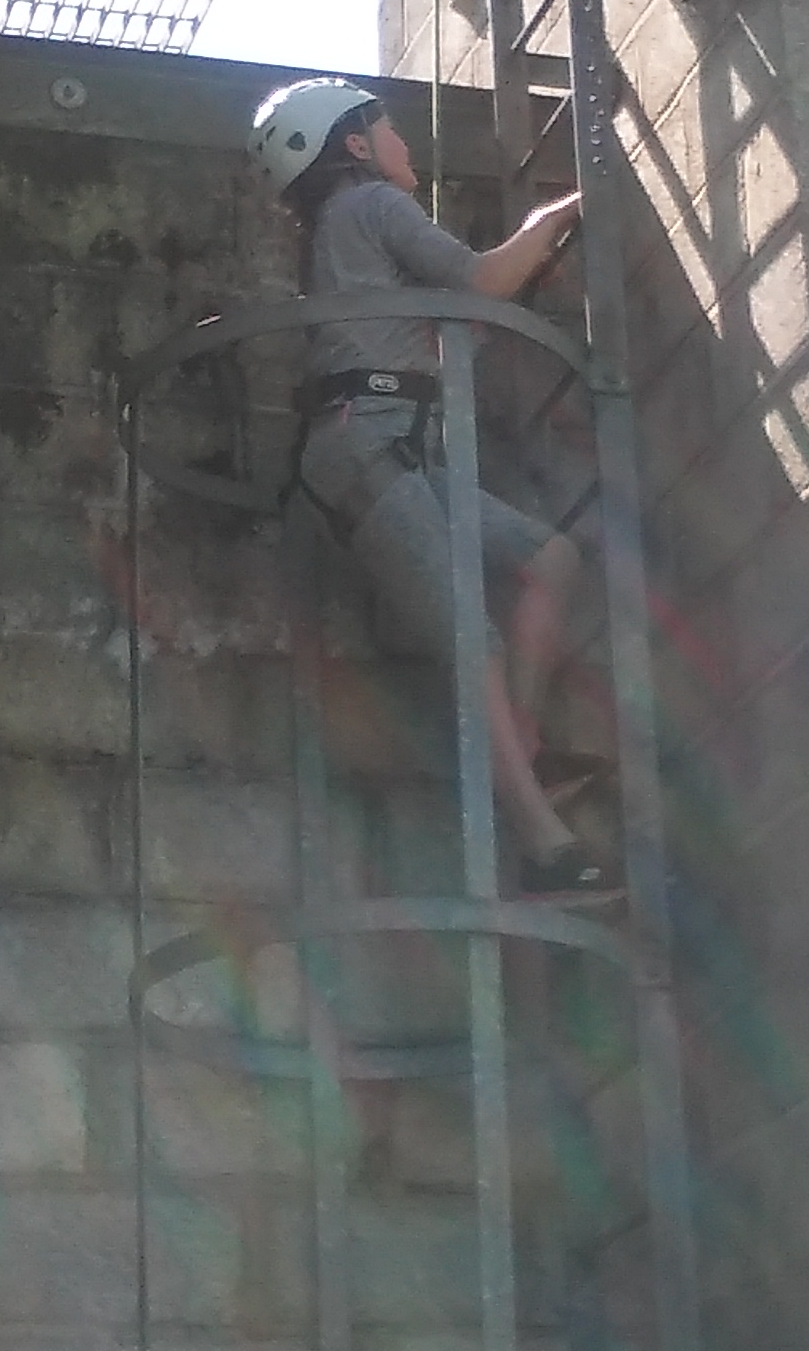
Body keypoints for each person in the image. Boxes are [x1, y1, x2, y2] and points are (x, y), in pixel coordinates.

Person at [248, 76, 603, 893]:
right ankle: (542, 841)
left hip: (393, 442)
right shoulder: (373, 203)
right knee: (474, 637)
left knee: (550, 560)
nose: (403, 142)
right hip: (366, 442)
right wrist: (555, 218)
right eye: (389, 128)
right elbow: (481, 281)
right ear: (356, 145)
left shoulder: (338, 230)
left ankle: (519, 751)